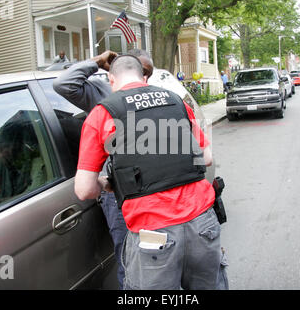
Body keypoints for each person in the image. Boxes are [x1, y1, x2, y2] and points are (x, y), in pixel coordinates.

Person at [74, 54, 226, 290]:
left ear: (111, 79)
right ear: (143, 76)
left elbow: (84, 190)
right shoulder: (177, 101)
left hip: (153, 234)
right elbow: (205, 158)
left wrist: (108, 182)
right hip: (202, 223)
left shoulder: (103, 113)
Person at [53, 49, 154, 290]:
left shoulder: (154, 95)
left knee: (157, 253)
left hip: (154, 187)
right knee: (129, 257)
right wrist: (97, 62)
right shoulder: (100, 92)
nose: (144, 79)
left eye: (148, 73)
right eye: (141, 71)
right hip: (120, 192)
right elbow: (62, 84)